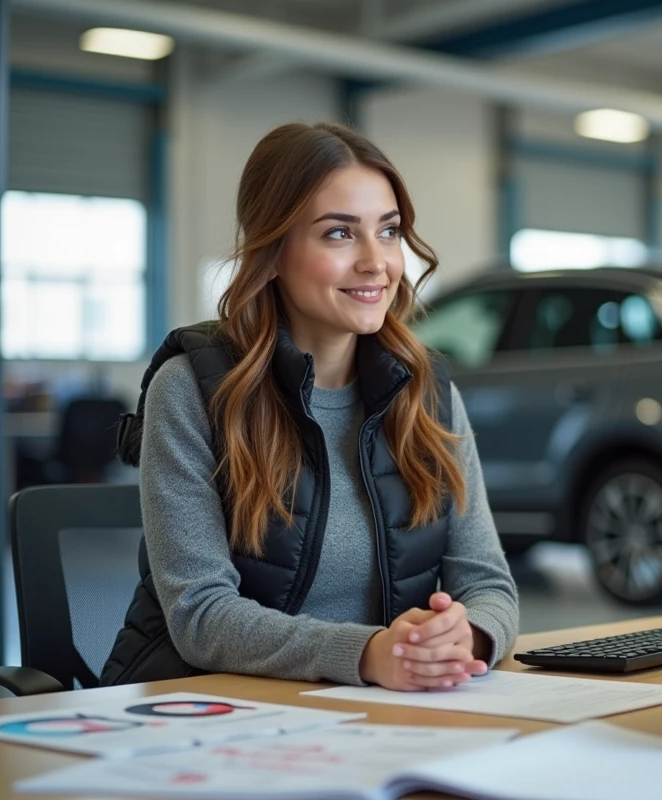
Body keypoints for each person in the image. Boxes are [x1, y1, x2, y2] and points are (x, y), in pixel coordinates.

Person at [100, 122, 519, 692]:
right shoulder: (194, 388)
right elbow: (200, 615)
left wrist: (462, 637)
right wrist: (367, 653)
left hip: (373, 712)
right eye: (339, 234)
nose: (377, 262)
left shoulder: (428, 391)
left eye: (389, 231)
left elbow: (488, 582)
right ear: (272, 254)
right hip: (209, 710)